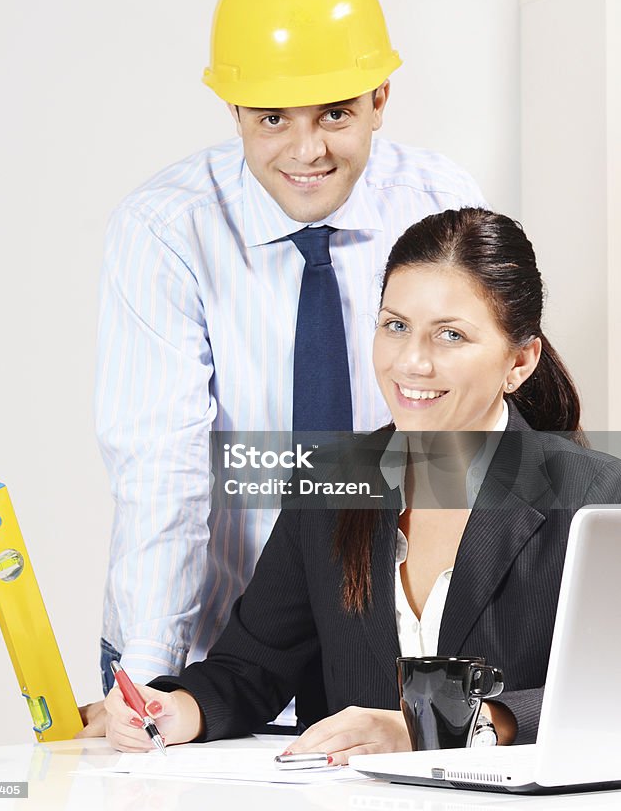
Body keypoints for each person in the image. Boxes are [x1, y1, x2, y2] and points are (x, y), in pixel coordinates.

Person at [91, 0, 485, 703]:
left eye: (336, 112)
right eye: (273, 117)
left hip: (387, 644)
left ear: (380, 97)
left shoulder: (441, 202)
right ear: (234, 111)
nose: (307, 151)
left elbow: (463, 436)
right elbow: (159, 467)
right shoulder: (166, 229)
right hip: (213, 644)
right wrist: (150, 670)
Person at [96, 207, 621, 758]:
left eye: (450, 335)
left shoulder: (597, 495)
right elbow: (252, 666)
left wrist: (445, 725)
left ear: (519, 361)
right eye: (395, 325)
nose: (412, 362)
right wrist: (176, 709)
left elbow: (608, 694)